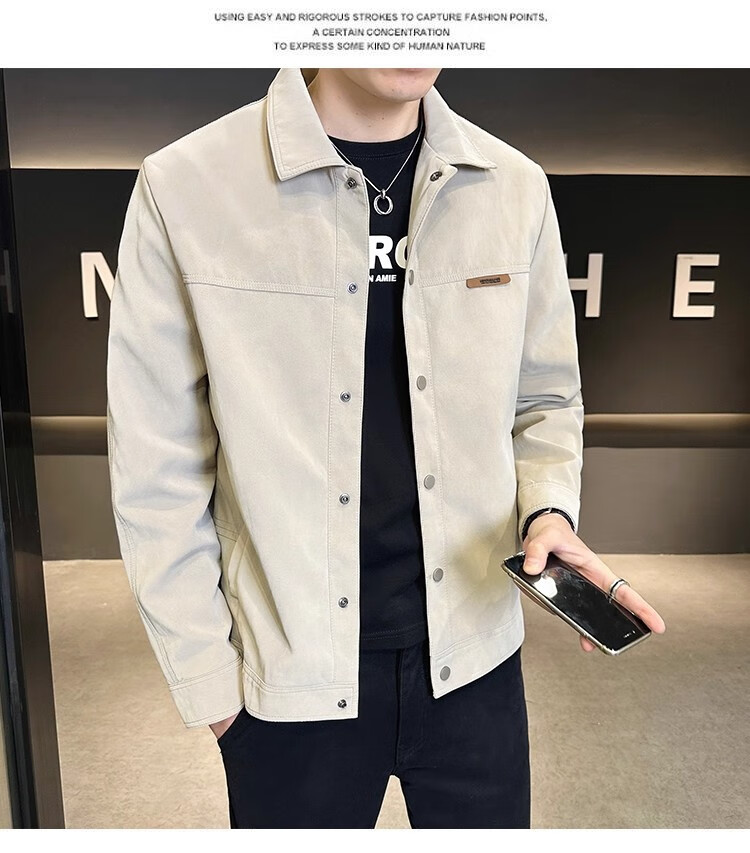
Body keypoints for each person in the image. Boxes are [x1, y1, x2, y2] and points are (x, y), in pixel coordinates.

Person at [106, 67, 666, 829]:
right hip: (290, 680)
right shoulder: (186, 186)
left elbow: (544, 400)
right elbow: (156, 464)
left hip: (476, 666)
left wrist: (548, 512)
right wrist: (212, 691)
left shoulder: (515, 187)